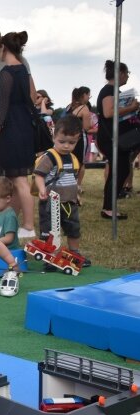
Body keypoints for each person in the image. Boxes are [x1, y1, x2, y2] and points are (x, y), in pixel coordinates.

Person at [0, 31, 37, 239]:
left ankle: (28, 224)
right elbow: (33, 97)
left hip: (12, 130)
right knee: (14, 179)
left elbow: (2, 106)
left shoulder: (7, 73)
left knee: (19, 180)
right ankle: (15, 222)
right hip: (24, 127)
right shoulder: (24, 71)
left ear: (3, 48)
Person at [33, 115, 90, 266]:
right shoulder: (49, 157)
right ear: (54, 136)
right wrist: (41, 189)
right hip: (51, 202)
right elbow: (38, 175)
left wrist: (76, 193)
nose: (66, 146)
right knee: (50, 231)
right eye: (62, 141)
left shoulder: (73, 158)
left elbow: (73, 179)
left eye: (72, 143)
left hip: (69, 202)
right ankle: (49, 257)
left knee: (73, 228)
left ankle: (74, 254)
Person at [96, 60, 139, 220]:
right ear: (120, 73)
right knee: (119, 170)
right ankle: (108, 208)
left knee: (122, 169)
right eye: (127, 73)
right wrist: (131, 108)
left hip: (113, 137)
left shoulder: (112, 90)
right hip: (110, 138)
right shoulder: (108, 90)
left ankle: (109, 206)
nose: (128, 76)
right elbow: (108, 113)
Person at [65, 86, 94, 190]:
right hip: (80, 138)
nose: (89, 98)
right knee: (80, 163)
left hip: (68, 137)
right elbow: (86, 128)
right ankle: (76, 186)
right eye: (88, 95)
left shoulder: (69, 107)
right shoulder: (84, 108)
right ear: (84, 95)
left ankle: (67, 183)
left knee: (68, 162)